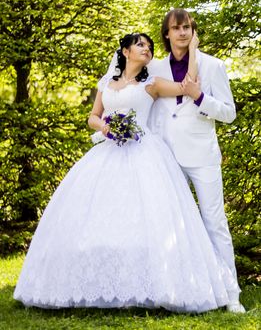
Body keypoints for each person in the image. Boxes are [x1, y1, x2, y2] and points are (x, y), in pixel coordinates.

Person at [14, 33, 239, 313]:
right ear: (125, 51)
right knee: (101, 218)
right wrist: (105, 127)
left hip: (144, 153)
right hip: (107, 153)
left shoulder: (152, 84)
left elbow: (186, 87)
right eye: (140, 45)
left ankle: (151, 285)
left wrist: (192, 51)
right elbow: (93, 116)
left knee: (143, 219)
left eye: (149, 46)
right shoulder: (106, 84)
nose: (146, 49)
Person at [148, 8, 245, 313]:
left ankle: (231, 295)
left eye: (187, 27)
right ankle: (173, 291)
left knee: (215, 223)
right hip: (165, 157)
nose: (182, 32)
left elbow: (229, 113)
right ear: (167, 34)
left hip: (202, 157)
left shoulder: (213, 66)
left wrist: (201, 98)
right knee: (169, 226)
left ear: (193, 31)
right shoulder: (153, 67)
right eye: (176, 28)